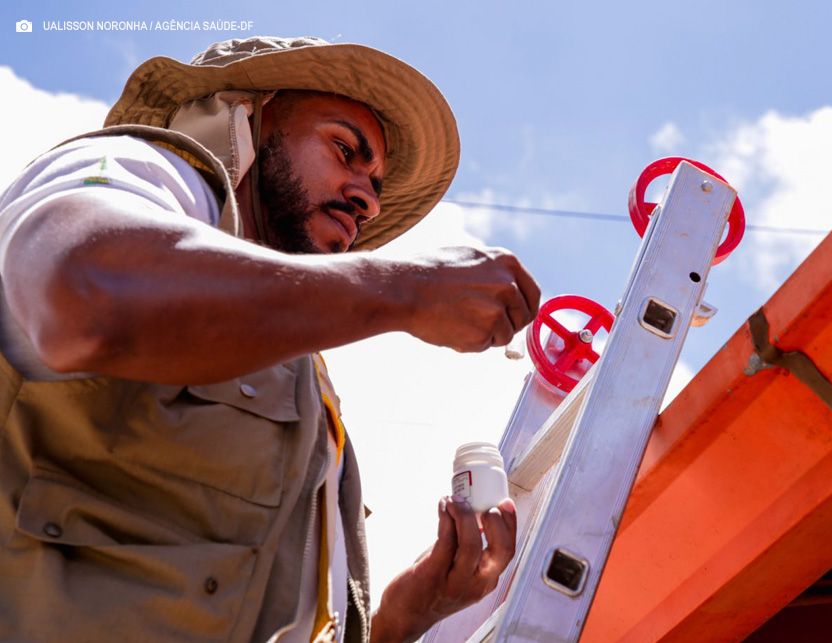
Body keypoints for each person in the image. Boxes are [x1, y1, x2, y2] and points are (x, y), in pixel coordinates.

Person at [0, 36, 539, 643]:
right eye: (344, 149)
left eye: (375, 186)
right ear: (245, 122)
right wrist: (405, 291)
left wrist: (402, 619)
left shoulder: (298, 373)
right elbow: (85, 291)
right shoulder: (145, 170)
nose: (365, 201)